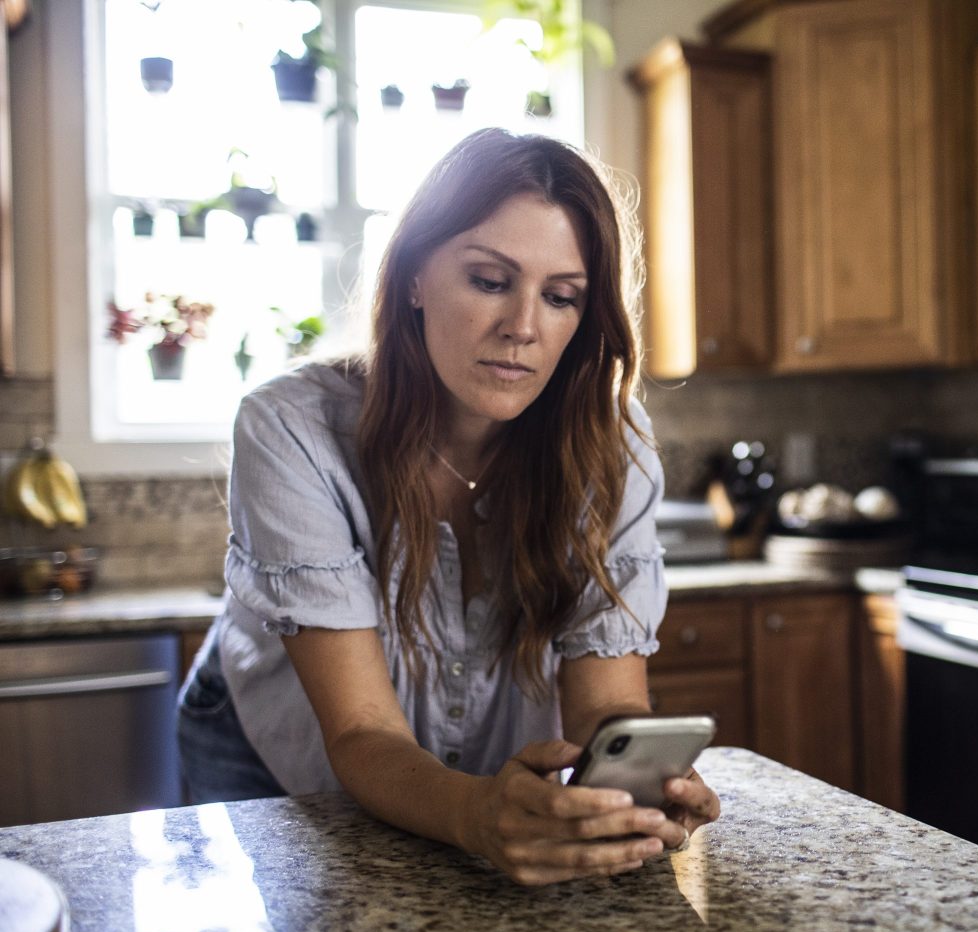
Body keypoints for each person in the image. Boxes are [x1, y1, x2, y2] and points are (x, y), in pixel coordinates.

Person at [177, 127, 720, 886]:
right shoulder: (290, 428)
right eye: (491, 281)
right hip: (271, 743)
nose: (524, 328)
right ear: (412, 278)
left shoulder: (610, 440)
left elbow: (608, 704)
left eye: (561, 297)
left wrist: (634, 786)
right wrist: (475, 816)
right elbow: (363, 730)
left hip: (474, 767)